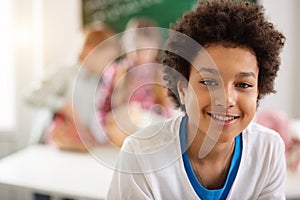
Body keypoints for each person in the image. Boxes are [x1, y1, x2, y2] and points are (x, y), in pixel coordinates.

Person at [106, 0, 286, 199]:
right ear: (182, 89)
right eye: (209, 82)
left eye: (243, 85)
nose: (226, 99)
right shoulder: (140, 155)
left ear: (259, 91)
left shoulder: (269, 149)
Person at [25, 23, 119, 151]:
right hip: (46, 147)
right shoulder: (65, 72)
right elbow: (30, 94)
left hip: (72, 148)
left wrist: (99, 139)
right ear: (90, 51)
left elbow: (91, 118)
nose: (110, 65)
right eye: (108, 59)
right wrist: (63, 105)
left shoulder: (96, 81)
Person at [98, 17, 172, 148]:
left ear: (155, 49)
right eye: (137, 49)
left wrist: (146, 116)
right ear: (126, 46)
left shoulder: (161, 75)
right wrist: (106, 131)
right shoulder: (115, 72)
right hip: (121, 134)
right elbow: (103, 108)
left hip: (151, 133)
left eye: (147, 49)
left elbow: (168, 113)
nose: (142, 55)